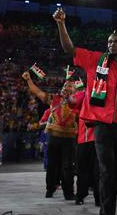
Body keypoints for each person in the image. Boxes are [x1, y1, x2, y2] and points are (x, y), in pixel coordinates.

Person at [53, 8, 117, 215]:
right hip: (101, 124)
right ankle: (107, 211)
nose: (111, 44)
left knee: (114, 171)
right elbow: (69, 48)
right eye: (109, 42)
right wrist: (61, 24)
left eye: (115, 41)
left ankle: (109, 207)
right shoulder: (94, 59)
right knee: (106, 168)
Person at [22, 71, 77, 200]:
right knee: (52, 165)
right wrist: (29, 80)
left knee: (68, 166)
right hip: (53, 137)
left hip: (69, 138)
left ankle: (68, 193)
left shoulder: (79, 102)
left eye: (70, 86)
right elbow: (38, 93)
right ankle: (50, 189)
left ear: (76, 89)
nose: (66, 88)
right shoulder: (54, 98)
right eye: (64, 86)